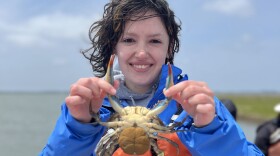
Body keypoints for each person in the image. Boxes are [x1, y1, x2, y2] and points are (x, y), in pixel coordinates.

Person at [40, 0, 263, 155]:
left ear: (169, 48)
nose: (141, 53)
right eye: (129, 40)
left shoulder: (193, 107)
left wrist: (211, 131)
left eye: (155, 41)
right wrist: (78, 128)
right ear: (113, 47)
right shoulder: (90, 107)